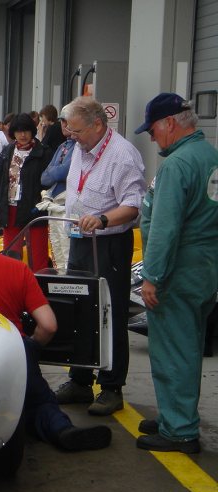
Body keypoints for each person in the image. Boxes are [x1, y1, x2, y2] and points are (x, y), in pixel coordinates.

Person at [0, 210, 111, 451]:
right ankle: (62, 430)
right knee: (39, 402)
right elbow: (49, 325)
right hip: (12, 348)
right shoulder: (17, 269)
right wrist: (31, 347)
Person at [133, 93, 218, 453]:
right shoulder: (210, 156)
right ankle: (175, 415)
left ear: (169, 123)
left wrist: (153, 277)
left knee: (174, 350)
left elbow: (166, 227)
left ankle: (179, 430)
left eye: (153, 131)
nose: (153, 139)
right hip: (204, 268)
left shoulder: (177, 165)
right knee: (189, 344)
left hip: (178, 271)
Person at [55, 96, 146, 415]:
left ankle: (111, 387)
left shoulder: (122, 155)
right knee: (79, 309)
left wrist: (104, 219)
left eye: (76, 130)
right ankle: (79, 380)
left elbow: (133, 205)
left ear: (97, 125)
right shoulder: (80, 148)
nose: (70, 135)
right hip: (80, 240)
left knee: (110, 313)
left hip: (108, 245)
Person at [0, 113, 52, 271]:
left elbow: (49, 182)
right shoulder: (7, 152)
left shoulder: (43, 152)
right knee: (11, 254)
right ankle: (13, 288)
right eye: (18, 131)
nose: (22, 135)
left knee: (38, 256)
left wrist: (42, 203)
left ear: (32, 131)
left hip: (34, 209)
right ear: (13, 133)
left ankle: (39, 287)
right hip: (10, 208)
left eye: (26, 130)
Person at [38, 107, 74, 270]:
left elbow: (61, 172)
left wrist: (55, 170)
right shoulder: (62, 146)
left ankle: (68, 288)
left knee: (67, 254)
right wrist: (55, 171)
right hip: (54, 204)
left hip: (68, 208)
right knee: (57, 253)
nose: (63, 124)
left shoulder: (79, 148)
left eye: (66, 120)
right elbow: (45, 177)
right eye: (62, 121)